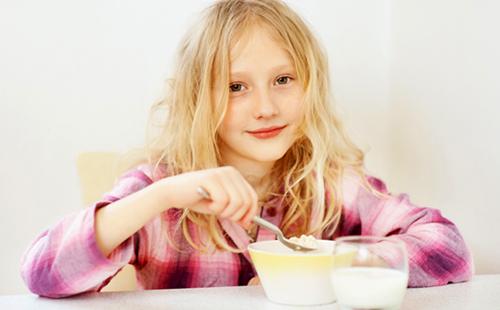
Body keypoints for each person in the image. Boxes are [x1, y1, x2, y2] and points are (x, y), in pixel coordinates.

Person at [20, 0, 473, 298]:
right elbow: (41, 274)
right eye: (236, 87)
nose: (265, 108)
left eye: (283, 80)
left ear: (309, 86)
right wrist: (161, 196)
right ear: (199, 98)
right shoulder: (162, 190)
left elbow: (449, 249)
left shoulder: (328, 181)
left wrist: (325, 265)